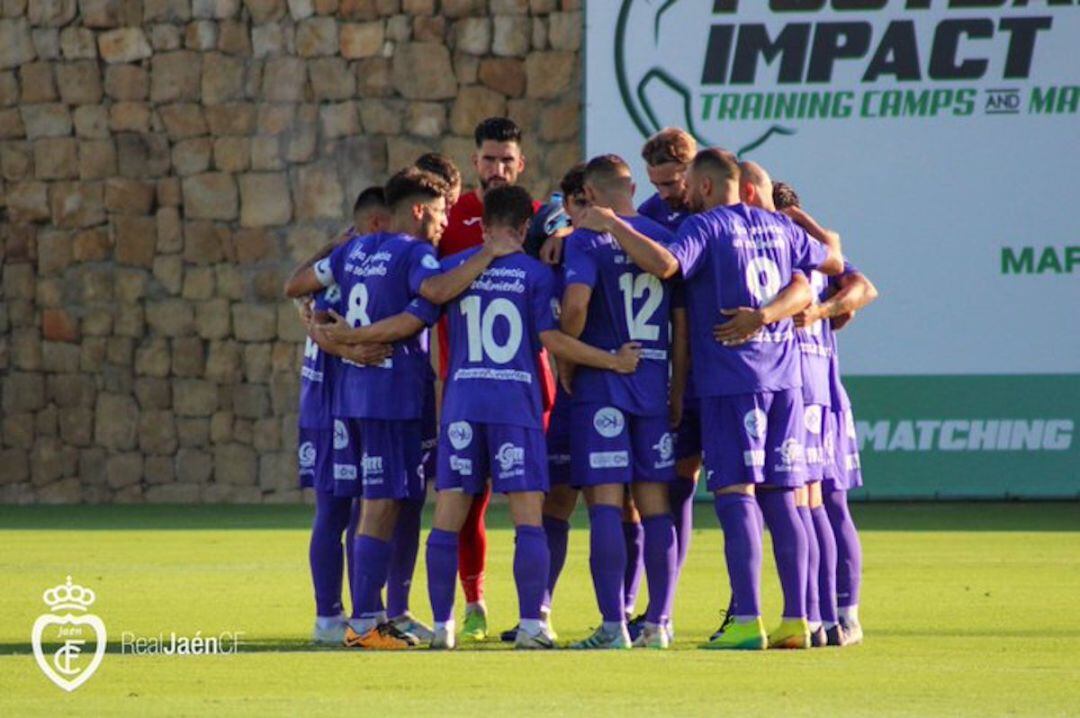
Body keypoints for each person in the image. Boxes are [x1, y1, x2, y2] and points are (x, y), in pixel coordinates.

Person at [577, 148, 843, 650]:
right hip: (785, 379)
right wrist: (768, 315)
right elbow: (826, 262)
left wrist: (612, 224)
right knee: (783, 499)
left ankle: (747, 618)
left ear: (702, 188)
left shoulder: (708, 227)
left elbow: (665, 264)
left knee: (736, 495)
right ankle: (798, 620)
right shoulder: (779, 227)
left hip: (731, 380)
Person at [425, 185, 642, 649]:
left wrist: (480, 258)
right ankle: (530, 625)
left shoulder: (453, 268)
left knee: (447, 517)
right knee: (528, 519)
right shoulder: (536, 276)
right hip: (516, 411)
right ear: (525, 228)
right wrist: (611, 361)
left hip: (462, 408)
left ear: (484, 227)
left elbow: (432, 293)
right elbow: (554, 339)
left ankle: (443, 626)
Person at [561, 155, 683, 649]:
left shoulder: (586, 240)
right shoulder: (662, 233)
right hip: (653, 383)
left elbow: (574, 305)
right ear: (632, 186)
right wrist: (676, 386)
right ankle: (660, 624)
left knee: (607, 507)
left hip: (603, 385)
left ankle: (613, 625)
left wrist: (570, 359)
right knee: (656, 508)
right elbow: (680, 323)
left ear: (587, 195)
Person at [436, 117, 547, 641]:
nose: (497, 168)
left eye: (507, 159)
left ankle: (536, 610)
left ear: (520, 164)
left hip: (525, 390)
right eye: (489, 159)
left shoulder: (542, 220)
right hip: (457, 382)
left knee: (540, 501)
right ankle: (474, 600)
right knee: (467, 500)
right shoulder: (451, 218)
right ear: (474, 162)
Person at [775, 181, 879, 645]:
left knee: (809, 502)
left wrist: (818, 312)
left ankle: (823, 615)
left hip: (804, 391)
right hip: (824, 390)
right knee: (829, 504)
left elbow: (864, 289)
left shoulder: (788, 253)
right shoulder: (820, 254)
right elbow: (856, 285)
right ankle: (841, 616)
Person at [293, 187, 390, 644]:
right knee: (336, 508)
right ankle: (330, 617)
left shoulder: (349, 262)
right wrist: (348, 344)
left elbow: (297, 290)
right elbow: (296, 288)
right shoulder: (347, 263)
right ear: (374, 223)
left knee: (355, 510)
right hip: (330, 397)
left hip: (342, 395)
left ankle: (355, 615)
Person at [635, 127, 698, 639]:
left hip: (725, 368)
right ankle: (660, 607)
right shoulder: (652, 218)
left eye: (673, 181)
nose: (667, 193)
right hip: (673, 369)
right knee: (672, 489)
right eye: (657, 184)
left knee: (765, 493)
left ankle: (765, 610)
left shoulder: (723, 208)